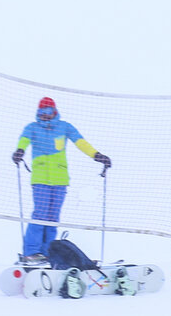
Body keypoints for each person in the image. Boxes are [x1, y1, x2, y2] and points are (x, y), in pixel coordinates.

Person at [11, 97, 111, 262]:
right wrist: (20, 151)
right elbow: (24, 140)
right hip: (41, 179)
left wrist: (97, 155)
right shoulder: (32, 128)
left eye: (48, 112)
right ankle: (31, 252)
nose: (45, 115)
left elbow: (81, 142)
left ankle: (48, 252)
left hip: (60, 180)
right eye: (42, 112)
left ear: (54, 112)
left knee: (53, 217)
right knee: (40, 214)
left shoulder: (65, 127)